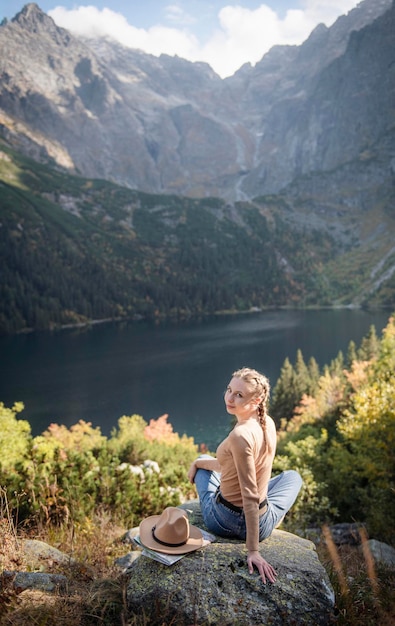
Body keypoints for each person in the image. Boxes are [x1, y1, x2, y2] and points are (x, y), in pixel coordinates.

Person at [188, 366, 302, 584]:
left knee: (204, 465)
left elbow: (249, 495)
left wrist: (253, 551)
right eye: (229, 390)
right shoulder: (267, 423)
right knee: (293, 477)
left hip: (225, 521)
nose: (230, 398)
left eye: (239, 395)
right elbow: (230, 468)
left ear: (257, 400)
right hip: (262, 521)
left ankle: (233, 516)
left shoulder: (240, 435)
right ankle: (274, 516)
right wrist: (198, 462)